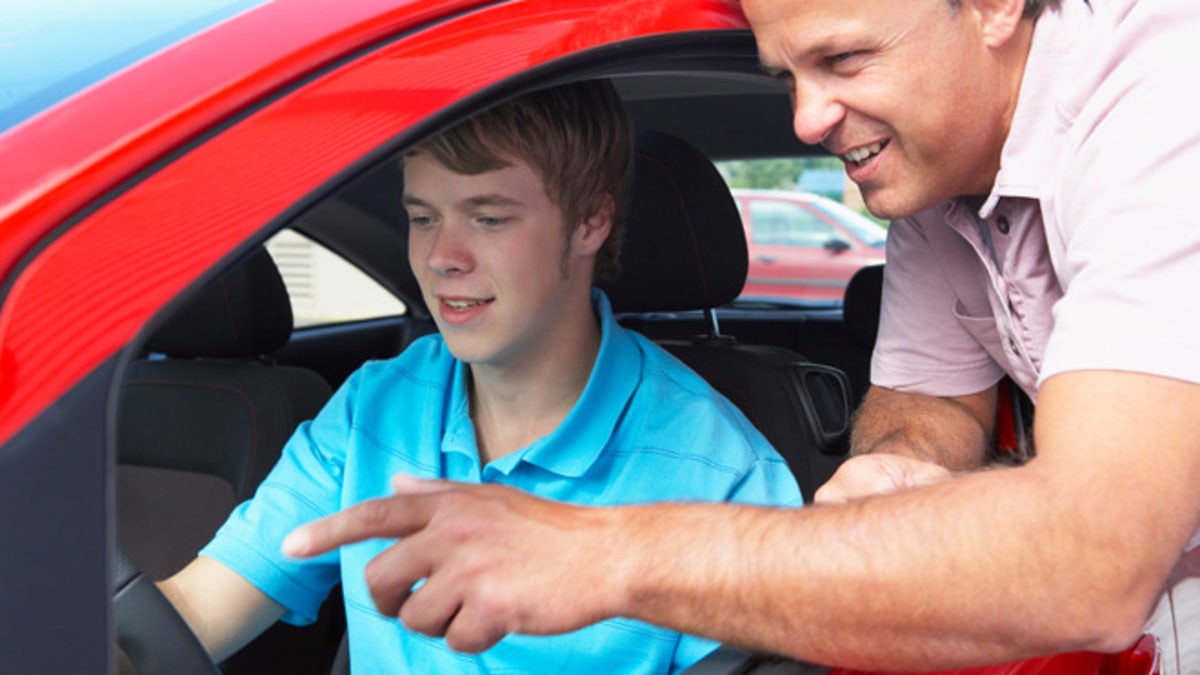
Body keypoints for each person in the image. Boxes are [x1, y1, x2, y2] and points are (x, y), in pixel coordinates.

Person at [283, 0, 1200, 671]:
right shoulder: (937, 184)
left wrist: (604, 552)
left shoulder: (1167, 105)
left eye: (843, 59)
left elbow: (1094, 557)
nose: (804, 120)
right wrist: (896, 476)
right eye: (788, 76)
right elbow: (926, 408)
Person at [154, 79, 803, 674]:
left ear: (590, 222)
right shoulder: (373, 406)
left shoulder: (724, 471)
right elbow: (191, 614)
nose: (440, 257)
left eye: (488, 217)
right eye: (422, 216)